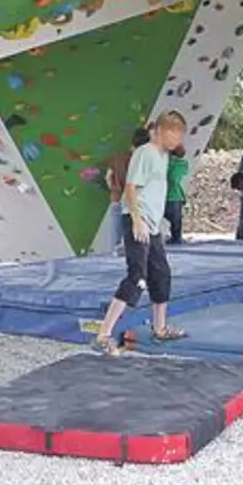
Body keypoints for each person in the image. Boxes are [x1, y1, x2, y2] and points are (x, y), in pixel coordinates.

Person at [94, 112, 189, 355]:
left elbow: (175, 158)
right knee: (137, 274)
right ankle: (104, 334)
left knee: (161, 274)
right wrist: (136, 220)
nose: (177, 141)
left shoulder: (163, 155)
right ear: (163, 131)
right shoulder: (144, 153)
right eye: (175, 135)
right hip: (138, 220)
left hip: (153, 224)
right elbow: (130, 187)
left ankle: (160, 328)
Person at [104, 127, 151, 255]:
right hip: (133, 200)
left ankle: (114, 250)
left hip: (116, 197)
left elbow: (108, 177)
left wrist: (114, 189)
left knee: (115, 229)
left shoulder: (118, 157)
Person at [164, 144, 189, 245]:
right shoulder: (183, 165)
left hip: (165, 195)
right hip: (176, 196)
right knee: (176, 221)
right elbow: (176, 180)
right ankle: (176, 238)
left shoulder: (167, 163)